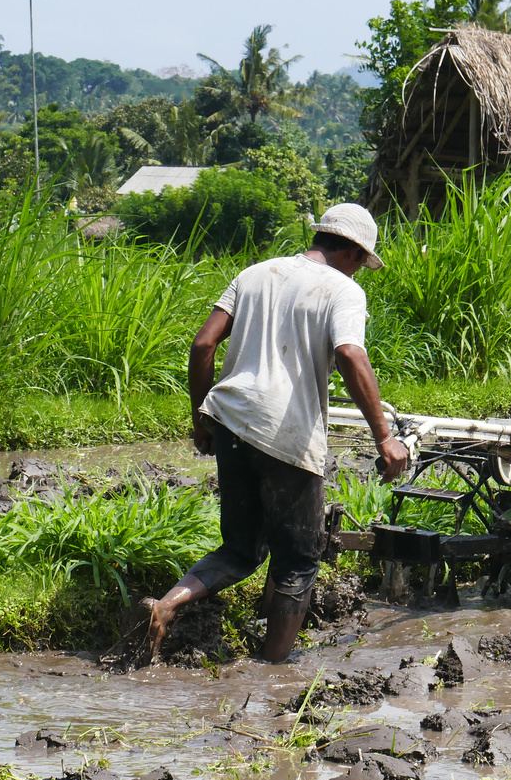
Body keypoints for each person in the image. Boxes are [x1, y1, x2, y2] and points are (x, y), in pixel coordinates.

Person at [142, 203, 412, 663]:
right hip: (286, 436)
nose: (359, 273)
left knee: (240, 548)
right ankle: (272, 671)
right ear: (351, 251)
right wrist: (385, 437)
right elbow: (349, 353)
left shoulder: (254, 273)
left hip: (229, 420)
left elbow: (203, 343)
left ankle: (167, 605)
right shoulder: (343, 290)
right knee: (299, 561)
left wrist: (199, 416)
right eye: (361, 263)